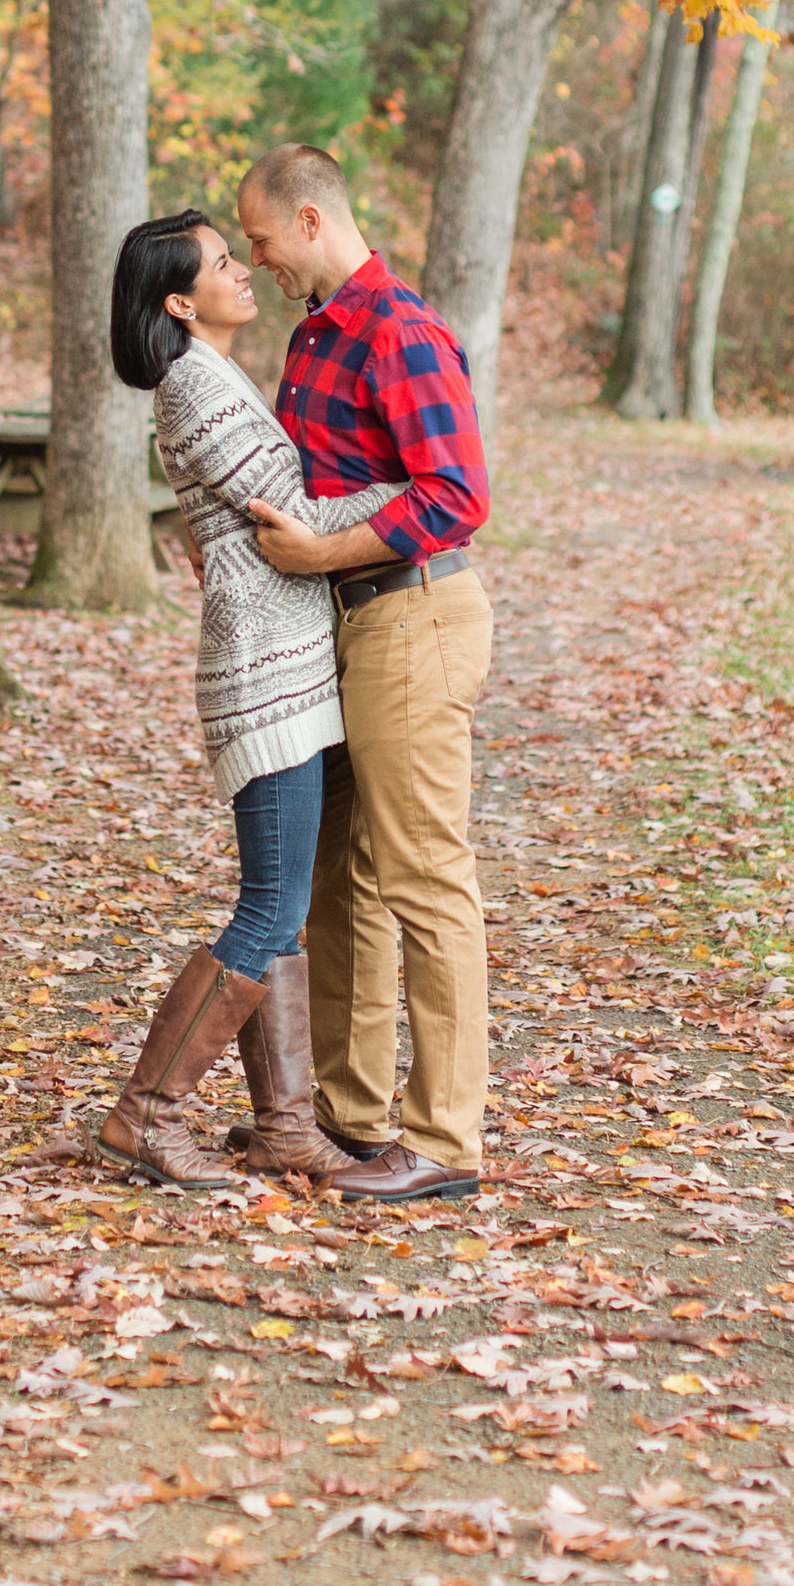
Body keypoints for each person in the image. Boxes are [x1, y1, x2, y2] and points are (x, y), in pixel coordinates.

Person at [92, 210, 403, 1190]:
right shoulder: (194, 385)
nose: (243, 271)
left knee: (287, 916)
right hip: (263, 674)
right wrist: (411, 497)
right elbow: (296, 515)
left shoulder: (212, 376)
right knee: (267, 909)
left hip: (287, 661)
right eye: (225, 263)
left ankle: (283, 1127)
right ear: (180, 301)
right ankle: (146, 1117)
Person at [236, 142, 492, 1207]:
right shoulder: (316, 335)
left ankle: (443, 1141)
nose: (255, 264)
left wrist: (321, 555)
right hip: (335, 628)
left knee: (423, 876)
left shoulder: (401, 331)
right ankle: (347, 1117)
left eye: (259, 241)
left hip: (411, 620)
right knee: (340, 878)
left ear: (308, 222)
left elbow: (456, 496)